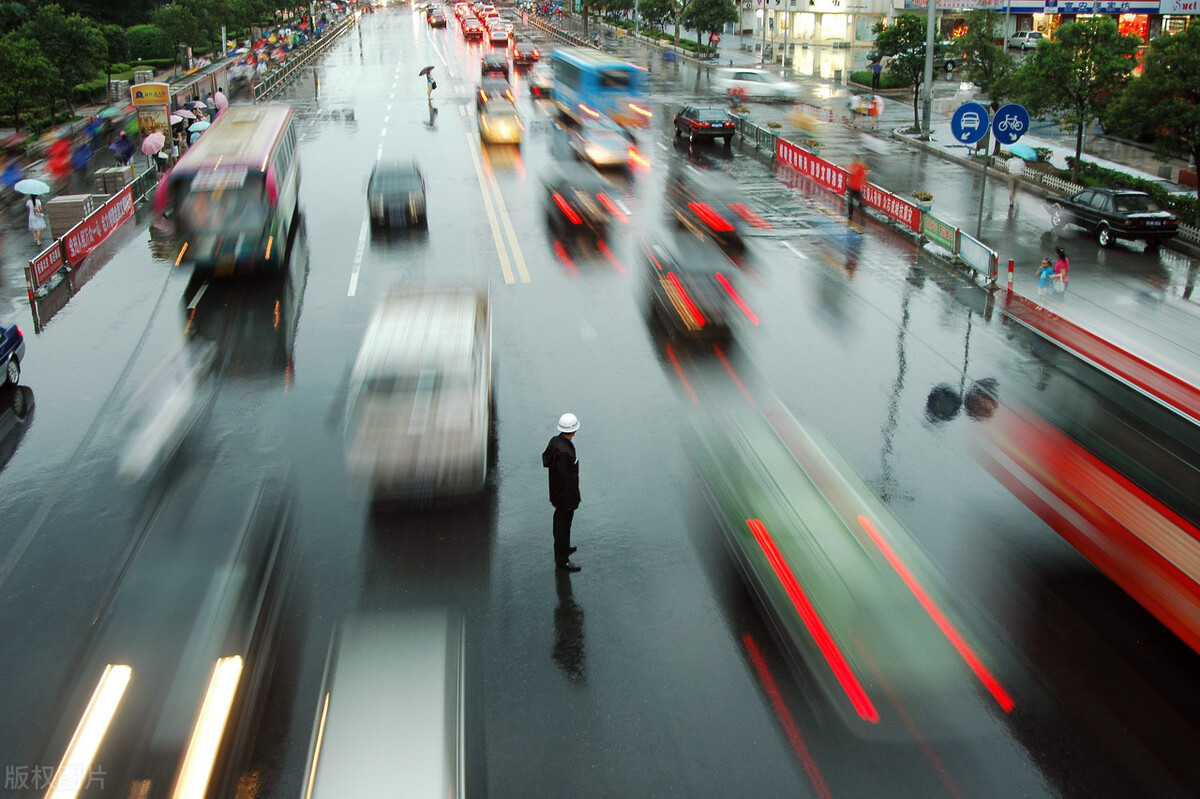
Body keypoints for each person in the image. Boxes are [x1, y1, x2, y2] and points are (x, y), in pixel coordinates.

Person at [542, 412, 582, 572]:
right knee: (564, 525)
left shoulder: (555, 442)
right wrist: (570, 502)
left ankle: (562, 547)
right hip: (565, 497)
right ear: (574, 430)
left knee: (559, 520)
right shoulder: (565, 452)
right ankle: (562, 559)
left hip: (557, 493)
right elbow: (566, 480)